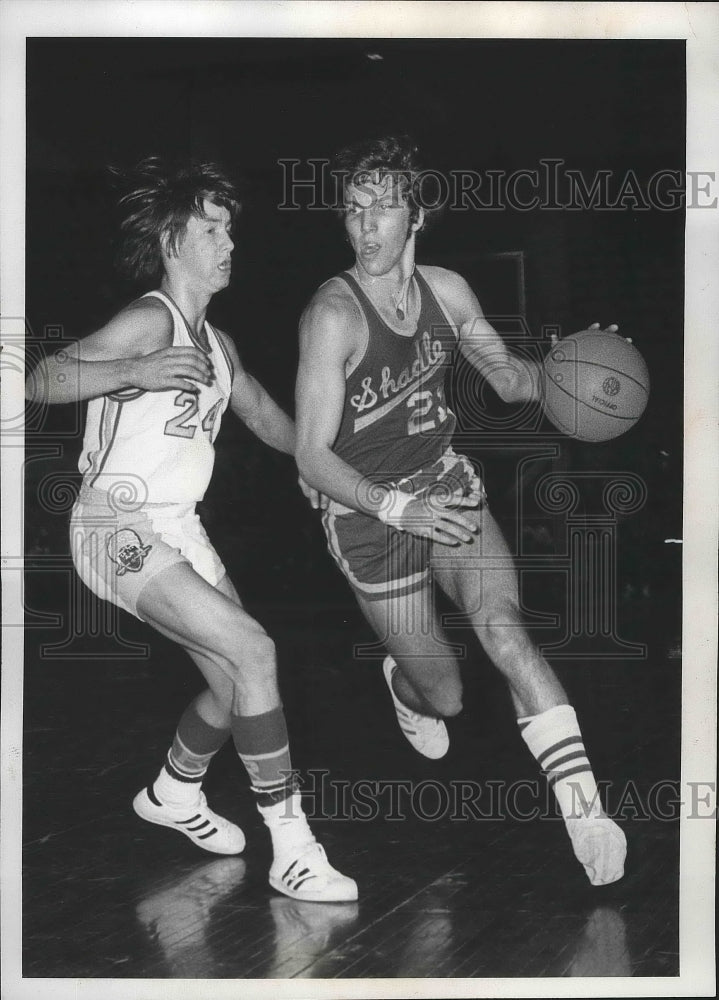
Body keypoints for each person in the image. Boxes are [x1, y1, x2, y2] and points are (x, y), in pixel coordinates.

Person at [295, 135, 627, 887]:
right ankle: (402, 681)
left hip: (443, 483)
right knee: (442, 694)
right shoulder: (331, 316)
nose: (365, 226)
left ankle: (586, 813)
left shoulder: (448, 292)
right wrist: (397, 509)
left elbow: (513, 382)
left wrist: (580, 363)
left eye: (382, 209)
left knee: (505, 631)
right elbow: (312, 456)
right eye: (353, 211)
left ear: (417, 215)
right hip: (369, 515)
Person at [25, 157, 356, 903]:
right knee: (254, 650)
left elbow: (272, 420)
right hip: (113, 519)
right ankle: (294, 849)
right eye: (213, 228)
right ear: (174, 241)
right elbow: (39, 380)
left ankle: (174, 791)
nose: (229, 242)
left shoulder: (220, 348)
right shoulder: (147, 320)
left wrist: (338, 455)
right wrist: (128, 373)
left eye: (231, 229)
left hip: (176, 526)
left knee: (231, 685)